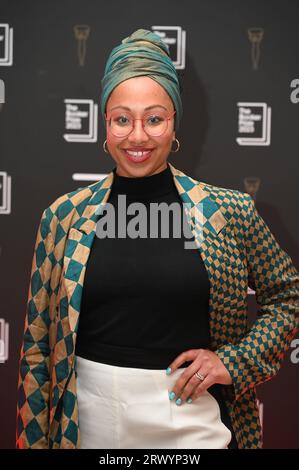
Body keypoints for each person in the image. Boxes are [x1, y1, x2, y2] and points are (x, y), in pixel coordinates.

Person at [16, 29, 299, 450]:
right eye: (121, 119)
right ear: (105, 124)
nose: (137, 137)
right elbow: (38, 350)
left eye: (154, 118)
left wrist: (233, 362)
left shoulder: (228, 211)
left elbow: (286, 296)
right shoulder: (63, 216)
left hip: (190, 425)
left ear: (174, 123)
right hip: (84, 424)